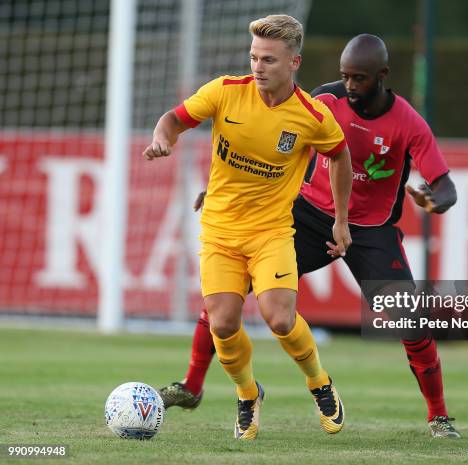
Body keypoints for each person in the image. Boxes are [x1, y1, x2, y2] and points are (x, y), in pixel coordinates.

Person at [160, 34, 461, 438]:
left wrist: (436, 199)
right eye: (345, 77)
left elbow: (446, 186)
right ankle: (192, 386)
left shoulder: (409, 124)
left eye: (360, 78)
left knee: (410, 322)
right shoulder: (325, 100)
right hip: (309, 216)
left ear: (382, 76)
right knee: (229, 295)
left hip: (371, 231)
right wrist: (223, 187)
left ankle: (439, 417)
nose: (350, 86)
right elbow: (284, 149)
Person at [143, 15, 353, 440]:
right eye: (254, 57)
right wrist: (164, 138)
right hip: (220, 229)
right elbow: (173, 118)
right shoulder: (225, 92)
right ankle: (247, 394)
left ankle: (319, 383)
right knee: (221, 324)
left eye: (269, 60)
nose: (258, 67)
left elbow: (341, 158)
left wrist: (341, 220)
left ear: (294, 62)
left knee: (278, 318)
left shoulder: (311, 115)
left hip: (272, 231)